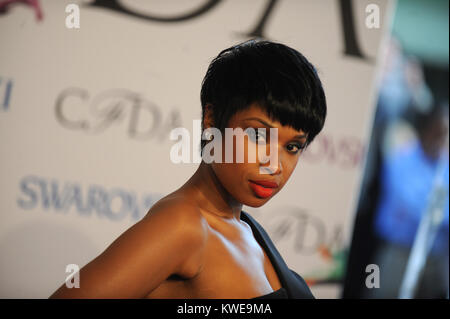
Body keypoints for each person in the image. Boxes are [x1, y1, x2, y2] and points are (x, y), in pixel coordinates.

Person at [49, 39, 327, 299]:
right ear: (211, 118)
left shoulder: (247, 228)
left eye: (292, 147)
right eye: (257, 136)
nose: (274, 165)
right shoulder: (182, 225)